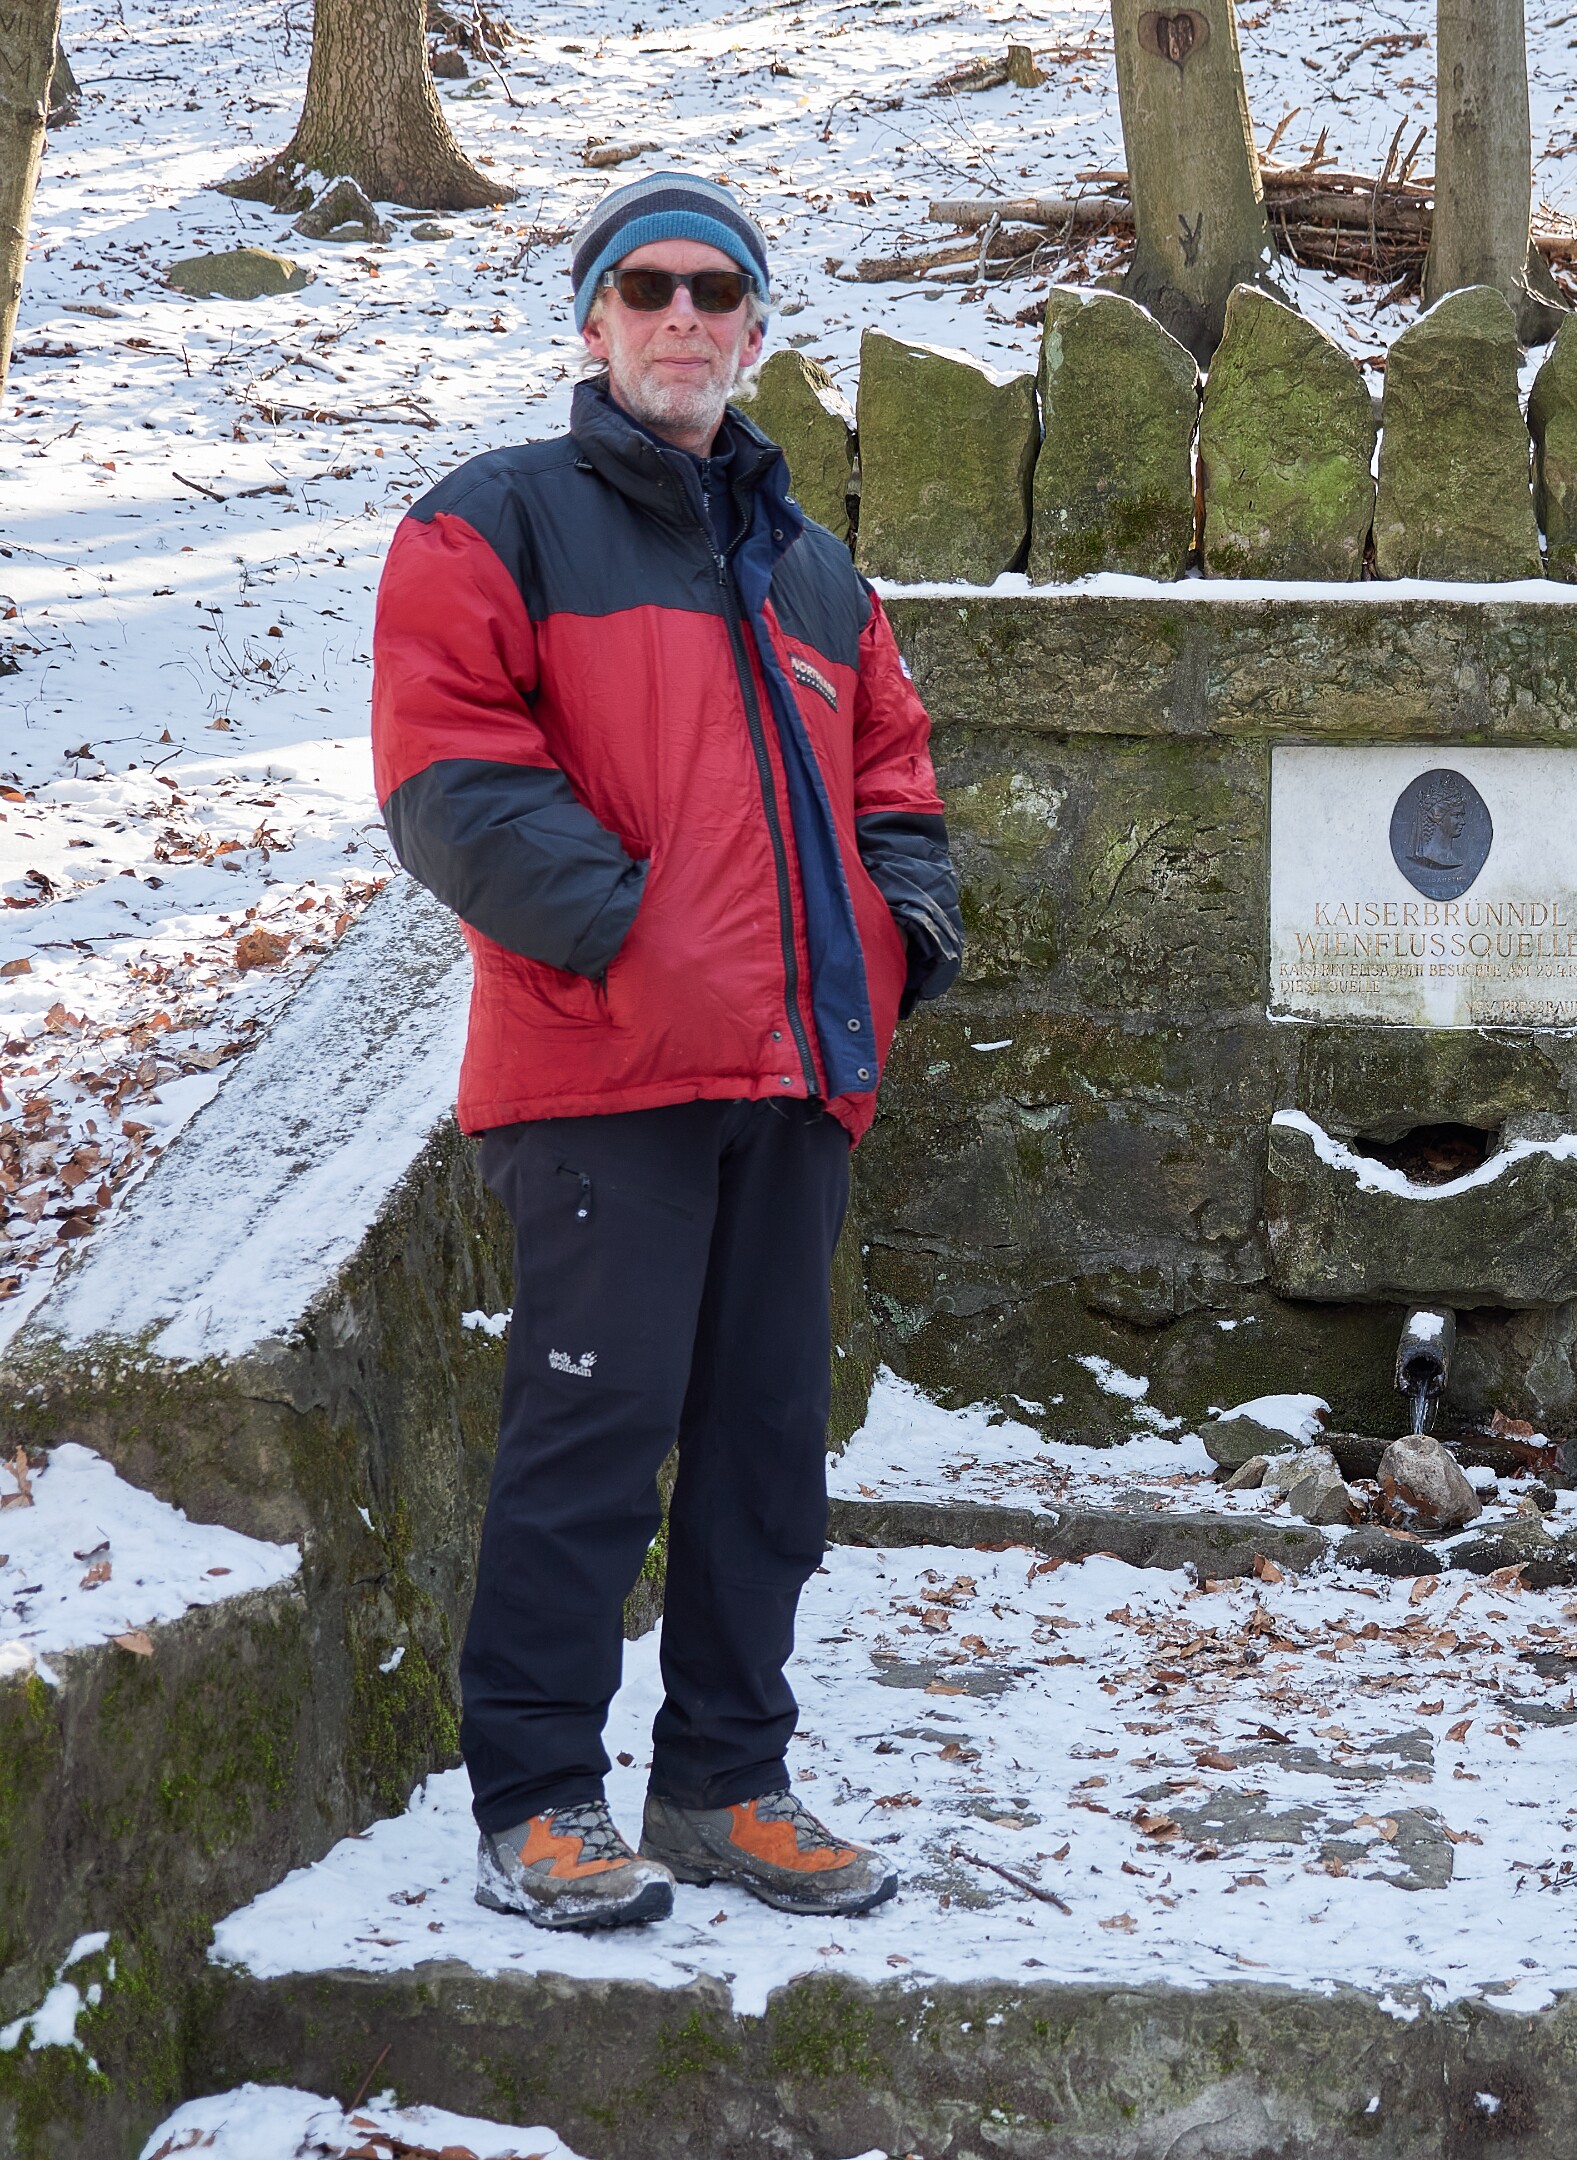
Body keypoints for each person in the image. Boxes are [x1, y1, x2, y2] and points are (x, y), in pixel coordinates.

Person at [370, 172, 963, 1931]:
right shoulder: (494, 525)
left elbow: (895, 777)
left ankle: (722, 1783)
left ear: (756, 332)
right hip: (602, 1072)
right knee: (590, 1441)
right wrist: (639, 939)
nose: (682, 316)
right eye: (648, 288)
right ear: (595, 321)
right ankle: (538, 1799)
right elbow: (448, 776)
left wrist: (896, 938)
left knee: (766, 1452)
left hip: (794, 1079)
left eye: (717, 291)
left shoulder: (815, 571)